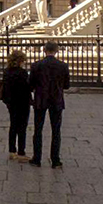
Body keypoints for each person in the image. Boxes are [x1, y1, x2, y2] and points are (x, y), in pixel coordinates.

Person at [28, 41, 70, 169]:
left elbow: (31, 84)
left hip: (41, 99)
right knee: (56, 130)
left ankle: (37, 158)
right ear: (56, 51)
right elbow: (67, 85)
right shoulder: (63, 66)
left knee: (38, 129)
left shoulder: (36, 65)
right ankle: (55, 160)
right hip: (56, 100)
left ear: (44, 50)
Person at [2, 50, 31, 162]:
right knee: (22, 127)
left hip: (11, 102)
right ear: (20, 61)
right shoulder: (22, 73)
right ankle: (21, 152)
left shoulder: (7, 72)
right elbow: (27, 87)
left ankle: (12, 151)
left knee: (13, 125)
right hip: (23, 102)